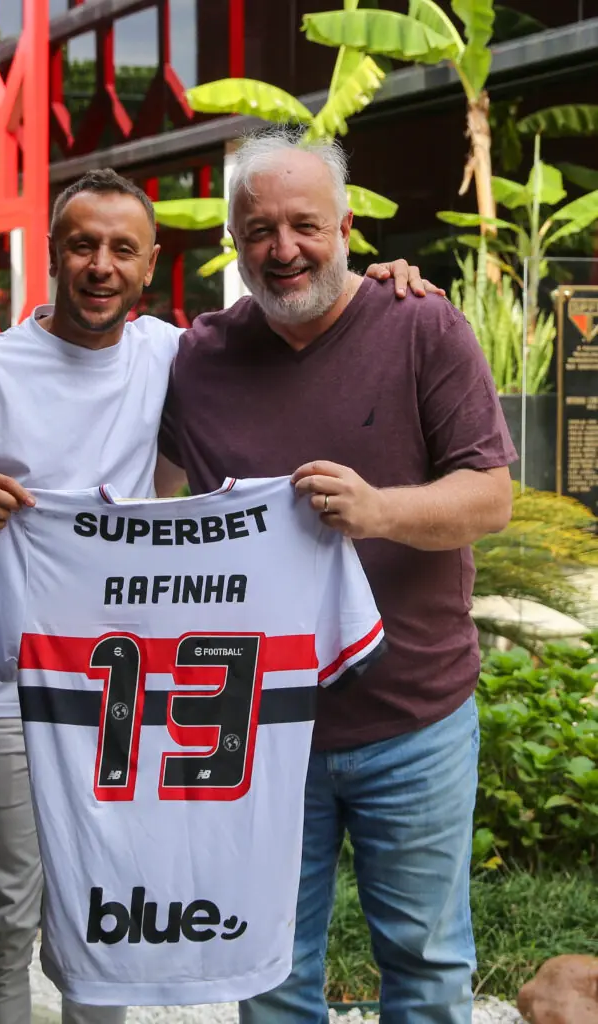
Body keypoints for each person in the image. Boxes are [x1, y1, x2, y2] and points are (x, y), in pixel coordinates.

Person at [0, 166, 437, 1024]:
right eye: (82, 246)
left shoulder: (170, 352)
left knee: (105, 907)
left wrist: (379, 287)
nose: (100, 266)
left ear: (149, 266)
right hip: (0, 684)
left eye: (122, 249)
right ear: (53, 254)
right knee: (1, 919)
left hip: (122, 683)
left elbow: (292, 308)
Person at [157, 129, 516, 1024]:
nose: (283, 249)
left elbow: (489, 498)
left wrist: (376, 511)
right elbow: (149, 511)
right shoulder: (196, 357)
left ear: (346, 228)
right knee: (269, 975)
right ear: (232, 243)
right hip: (259, 729)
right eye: (258, 231)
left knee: (426, 971)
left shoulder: (421, 325)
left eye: (305, 226)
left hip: (414, 718)